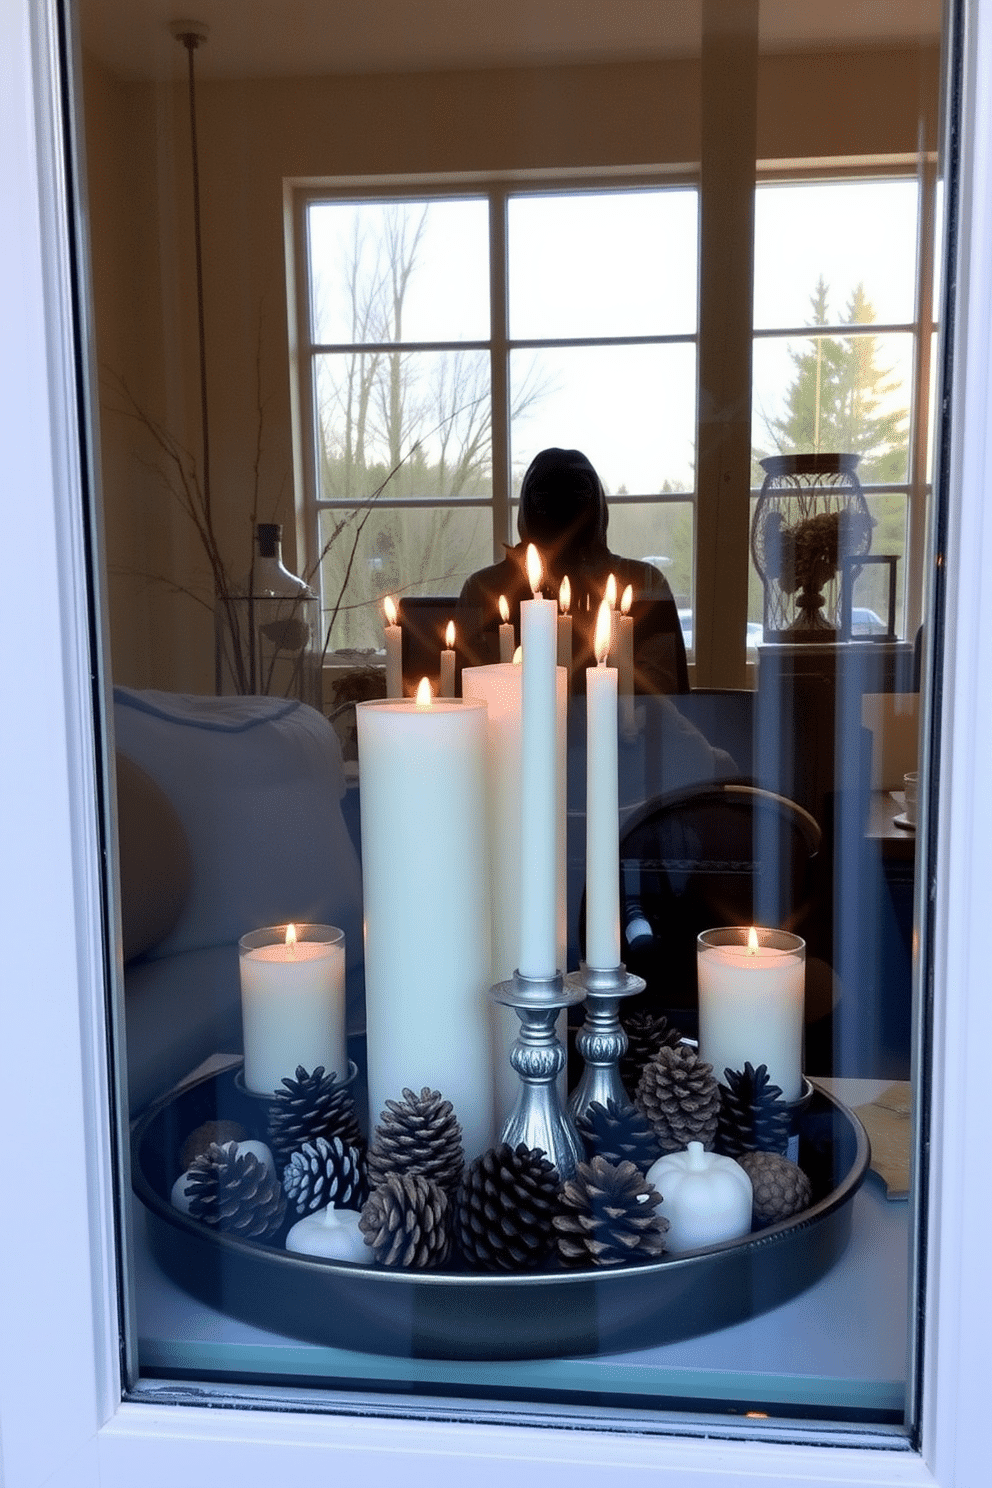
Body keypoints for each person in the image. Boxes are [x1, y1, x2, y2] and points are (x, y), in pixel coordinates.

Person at [456, 447, 688, 694]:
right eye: (546, 493)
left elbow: (664, 696)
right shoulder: (486, 588)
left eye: (577, 491)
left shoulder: (642, 582)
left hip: (621, 728)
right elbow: (466, 690)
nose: (561, 505)